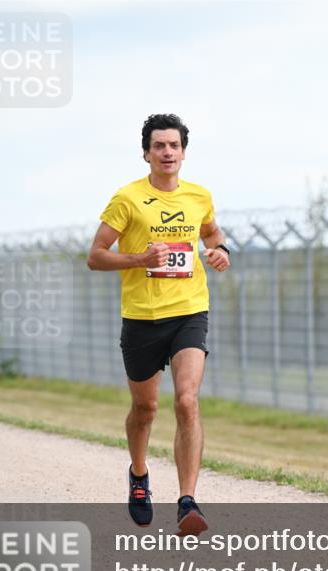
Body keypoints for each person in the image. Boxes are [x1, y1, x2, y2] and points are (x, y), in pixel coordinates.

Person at [87, 113, 230, 536]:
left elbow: (212, 234)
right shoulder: (127, 199)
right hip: (142, 318)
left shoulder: (199, 196)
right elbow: (95, 255)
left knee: (187, 400)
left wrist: (221, 251)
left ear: (184, 151)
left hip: (189, 311)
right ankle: (138, 474)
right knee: (145, 409)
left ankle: (187, 502)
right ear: (146, 153)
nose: (167, 152)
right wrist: (139, 259)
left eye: (174, 145)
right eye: (159, 146)